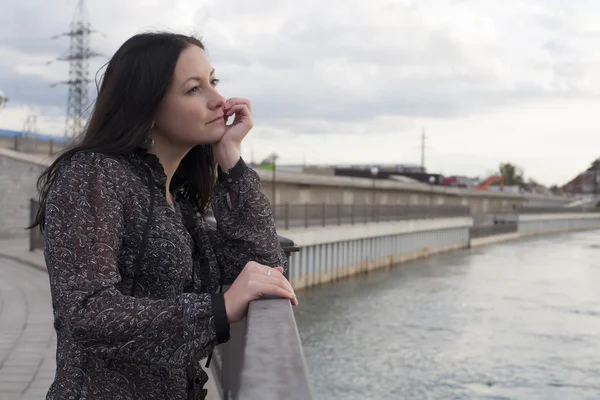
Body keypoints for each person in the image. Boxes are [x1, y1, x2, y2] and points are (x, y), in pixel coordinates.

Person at [29, 31, 298, 400]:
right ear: (147, 105)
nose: (220, 101)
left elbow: (266, 264)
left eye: (213, 82)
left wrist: (231, 161)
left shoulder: (174, 198)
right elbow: (86, 313)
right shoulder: (93, 174)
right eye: (194, 89)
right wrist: (216, 309)